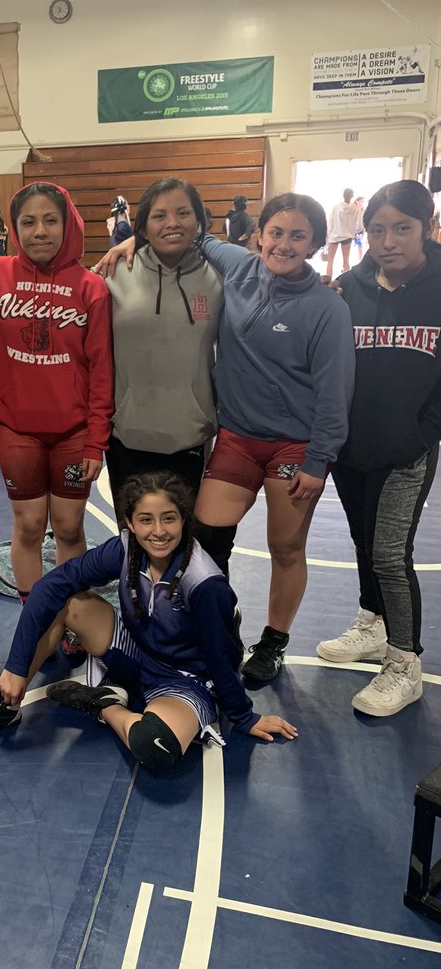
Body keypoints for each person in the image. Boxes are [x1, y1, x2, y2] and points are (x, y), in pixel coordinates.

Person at [0, 471, 297, 755]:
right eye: (146, 520)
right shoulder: (125, 548)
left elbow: (221, 657)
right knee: (67, 601)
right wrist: (15, 667)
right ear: (129, 523)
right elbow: (50, 587)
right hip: (136, 655)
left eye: (169, 519)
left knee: (154, 747)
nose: (158, 531)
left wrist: (244, 716)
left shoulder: (203, 583)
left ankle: (103, 703)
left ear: (184, 520)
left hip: (184, 680)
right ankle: (6, 705)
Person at [193, 193, 355, 682]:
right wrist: (132, 237)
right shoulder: (238, 266)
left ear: (315, 244)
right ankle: (223, 621)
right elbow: (193, 238)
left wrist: (318, 460)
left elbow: (335, 392)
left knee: (285, 548)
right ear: (258, 234)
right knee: (207, 538)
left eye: (298, 235)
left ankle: (274, 642)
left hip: (295, 446)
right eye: (276, 232)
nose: (284, 244)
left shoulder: (327, 308)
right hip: (238, 436)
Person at [317, 180, 441, 716]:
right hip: (352, 445)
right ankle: (371, 623)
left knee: (391, 555)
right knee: (364, 541)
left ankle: (403, 662)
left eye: (402, 228)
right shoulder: (349, 285)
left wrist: (423, 431)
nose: (389, 240)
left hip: (407, 450)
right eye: (378, 229)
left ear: (427, 229)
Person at [0, 182, 113, 601]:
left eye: (50, 220)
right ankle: (36, 617)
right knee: (28, 526)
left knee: (71, 528)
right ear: (15, 228)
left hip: (73, 431)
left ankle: (69, 615)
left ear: (67, 223)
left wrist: (96, 441)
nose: (40, 231)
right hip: (19, 429)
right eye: (29, 222)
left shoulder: (91, 287)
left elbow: (102, 370)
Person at [104, 178, 224, 500]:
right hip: (127, 434)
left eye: (183, 213)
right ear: (142, 226)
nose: (172, 223)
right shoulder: (113, 271)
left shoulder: (220, 277)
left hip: (190, 435)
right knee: (132, 540)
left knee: (183, 539)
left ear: (199, 220)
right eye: (159, 216)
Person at [325, 188, 361, 279]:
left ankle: (328, 282)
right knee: (346, 261)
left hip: (334, 236)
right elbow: (359, 226)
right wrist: (353, 232)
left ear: (343, 195)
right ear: (352, 196)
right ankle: (346, 283)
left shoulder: (336, 207)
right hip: (347, 237)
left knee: (330, 261)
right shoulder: (356, 209)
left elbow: (330, 223)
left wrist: (328, 237)